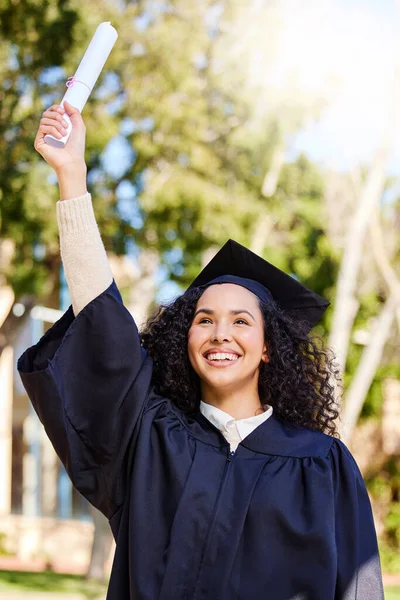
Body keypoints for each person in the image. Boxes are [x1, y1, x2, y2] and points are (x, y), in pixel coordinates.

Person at [18, 102, 384, 600]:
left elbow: (358, 589)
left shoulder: (322, 463)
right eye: (203, 319)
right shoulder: (152, 438)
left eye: (241, 321)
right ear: (183, 341)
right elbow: (103, 325)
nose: (220, 334)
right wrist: (72, 178)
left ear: (268, 348)